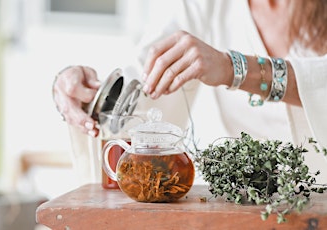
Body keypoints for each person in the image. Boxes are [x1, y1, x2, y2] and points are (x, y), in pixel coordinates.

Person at [52, 0, 327, 184]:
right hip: (253, 210)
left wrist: (233, 68)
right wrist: (86, 94)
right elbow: (144, 80)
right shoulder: (204, 5)